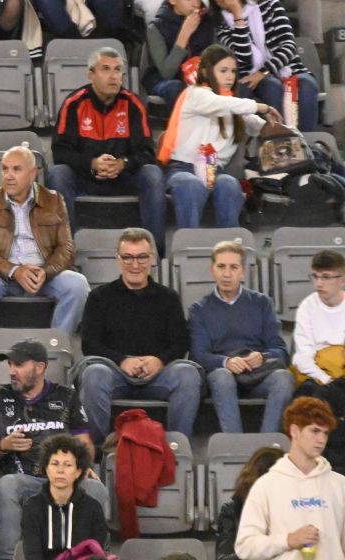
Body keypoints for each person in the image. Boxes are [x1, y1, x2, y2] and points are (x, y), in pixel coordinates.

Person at [0, 338, 105, 560]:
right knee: (7, 484)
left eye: (18, 365)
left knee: (96, 488)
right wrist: (4, 445)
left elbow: (84, 441)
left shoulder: (66, 396)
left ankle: (90, 555)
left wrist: (83, 465)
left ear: (39, 368)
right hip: (25, 479)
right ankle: (10, 557)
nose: (12, 371)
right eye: (9, 365)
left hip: (65, 476)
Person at [77, 227, 201, 435]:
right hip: (115, 372)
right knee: (94, 374)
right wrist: (122, 360)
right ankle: (97, 451)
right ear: (118, 259)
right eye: (128, 258)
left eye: (142, 257)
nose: (135, 265)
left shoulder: (168, 297)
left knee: (188, 374)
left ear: (152, 258)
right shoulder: (100, 297)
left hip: (159, 373)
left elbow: (180, 343)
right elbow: (89, 343)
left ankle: (177, 446)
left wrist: (159, 360)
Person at [0, 145, 88, 352]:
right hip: (2, 274)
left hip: (44, 274)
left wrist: (45, 272)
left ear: (33, 174)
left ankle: (56, 350)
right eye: (4, 169)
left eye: (16, 169)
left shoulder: (54, 200)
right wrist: (14, 270)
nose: (8, 176)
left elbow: (66, 248)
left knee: (78, 284)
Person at [47, 46, 166, 235]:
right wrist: (92, 164)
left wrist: (122, 164)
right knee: (57, 174)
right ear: (91, 75)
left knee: (153, 174)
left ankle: (155, 252)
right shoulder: (74, 104)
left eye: (117, 70)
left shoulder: (133, 105)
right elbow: (61, 151)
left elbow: (147, 153)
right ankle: (65, 249)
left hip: (123, 177)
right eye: (105, 69)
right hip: (85, 176)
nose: (113, 76)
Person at [188, 238, 295, 434]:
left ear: (243, 271)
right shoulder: (199, 309)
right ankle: (234, 443)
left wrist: (262, 357)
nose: (227, 274)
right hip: (222, 376)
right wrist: (226, 362)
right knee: (222, 377)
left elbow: (280, 350)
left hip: (257, 373)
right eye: (221, 266)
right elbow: (198, 356)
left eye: (233, 267)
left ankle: (266, 446)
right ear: (213, 269)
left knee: (284, 378)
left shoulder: (262, 303)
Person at [168, 43, 272, 228]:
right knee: (191, 184)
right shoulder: (195, 94)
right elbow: (222, 103)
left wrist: (276, 128)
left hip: (217, 171)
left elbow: (256, 124)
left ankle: (230, 246)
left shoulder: (232, 104)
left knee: (229, 184)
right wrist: (263, 107)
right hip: (184, 168)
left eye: (233, 71)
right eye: (223, 70)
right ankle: (189, 246)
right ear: (207, 72)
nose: (230, 76)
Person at [234, 397, 345, 560]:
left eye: (325, 433)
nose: (321, 440)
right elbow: (245, 547)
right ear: (295, 431)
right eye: (314, 431)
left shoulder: (340, 484)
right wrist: (288, 540)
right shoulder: (266, 486)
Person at [210, 0, 316, 131]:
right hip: (250, 75)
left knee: (307, 84)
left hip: (288, 68)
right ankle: (279, 142)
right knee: (272, 86)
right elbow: (244, 57)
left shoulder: (272, 6)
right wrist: (238, 17)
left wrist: (264, 70)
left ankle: (305, 145)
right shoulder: (222, 27)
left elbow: (289, 46)